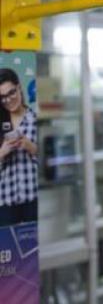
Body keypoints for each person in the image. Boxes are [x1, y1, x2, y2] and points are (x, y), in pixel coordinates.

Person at [0, 68, 38, 226]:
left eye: (11, 92)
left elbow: (52, 163)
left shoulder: (35, 119)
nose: (8, 100)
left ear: (19, 87)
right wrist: (1, 153)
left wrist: (31, 147)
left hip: (33, 199)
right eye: (2, 97)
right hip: (5, 202)